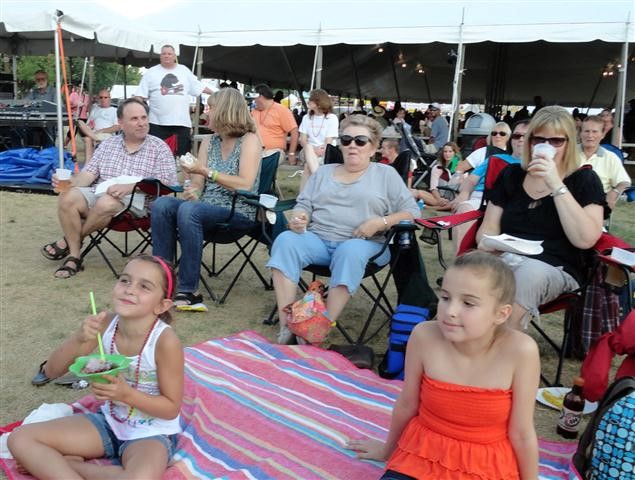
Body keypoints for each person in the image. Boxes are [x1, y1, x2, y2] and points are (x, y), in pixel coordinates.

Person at [347, 252, 540, 480]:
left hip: (484, 463)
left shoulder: (520, 351)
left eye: (468, 303)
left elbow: (522, 432)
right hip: (422, 452)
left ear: (501, 314)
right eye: (446, 298)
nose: (450, 311)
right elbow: (408, 403)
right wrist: (387, 450)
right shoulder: (424, 335)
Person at [8, 254, 183, 479]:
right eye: (125, 280)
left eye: (144, 286)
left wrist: (126, 394)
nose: (130, 289)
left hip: (151, 432)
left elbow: (171, 408)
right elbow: (52, 371)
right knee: (20, 438)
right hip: (107, 421)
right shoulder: (105, 325)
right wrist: (79, 339)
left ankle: (74, 467)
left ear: (162, 305)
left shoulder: (165, 342)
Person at [267, 114, 419, 344]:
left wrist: (380, 222)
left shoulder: (385, 174)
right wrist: (300, 216)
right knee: (286, 240)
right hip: (318, 240)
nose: (352, 146)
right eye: (346, 140)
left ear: (373, 147)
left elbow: (412, 212)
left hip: (366, 245)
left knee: (350, 251)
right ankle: (287, 326)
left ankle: (318, 328)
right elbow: (304, 203)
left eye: (360, 141)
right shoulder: (325, 172)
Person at [477, 106, 605, 330]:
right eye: (539, 139)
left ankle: (494, 349)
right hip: (505, 256)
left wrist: (556, 184)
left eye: (557, 141)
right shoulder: (511, 175)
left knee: (528, 275)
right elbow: (487, 229)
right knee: (467, 273)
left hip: (556, 267)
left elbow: (585, 240)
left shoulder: (584, 179)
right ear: (529, 142)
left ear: (569, 143)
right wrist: (490, 244)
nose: (547, 146)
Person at [40, 98, 178, 279]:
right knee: (68, 197)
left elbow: (168, 183)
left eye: (144, 118)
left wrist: (131, 187)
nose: (142, 123)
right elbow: (88, 175)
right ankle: (75, 255)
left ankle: (71, 242)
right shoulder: (107, 145)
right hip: (100, 192)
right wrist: (70, 182)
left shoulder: (159, 147)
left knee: (106, 203)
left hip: (139, 200)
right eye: (135, 119)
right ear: (120, 123)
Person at [151, 88, 261, 306]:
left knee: (189, 210)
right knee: (162, 204)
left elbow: (245, 183)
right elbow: (199, 184)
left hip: (238, 212)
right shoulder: (209, 142)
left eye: (210, 108)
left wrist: (206, 172)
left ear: (225, 111)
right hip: (203, 210)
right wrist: (193, 188)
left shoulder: (250, 140)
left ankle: (188, 290)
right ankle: (161, 279)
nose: (205, 112)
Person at [135, 44, 213, 156]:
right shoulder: (151, 72)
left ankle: (183, 174)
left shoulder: (184, 71)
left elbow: (199, 87)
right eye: (164, 53)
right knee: (156, 156)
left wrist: (215, 93)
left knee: (184, 157)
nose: (166, 56)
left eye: (169, 54)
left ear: (174, 56)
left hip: (181, 123)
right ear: (160, 56)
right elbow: (140, 96)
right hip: (157, 123)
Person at [578, 115, 631, 211]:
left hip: (598, 204)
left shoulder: (611, 157)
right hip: (570, 200)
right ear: (580, 133)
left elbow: (625, 182)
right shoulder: (568, 153)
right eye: (586, 131)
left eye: (594, 131)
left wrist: (614, 192)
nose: (590, 135)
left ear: (602, 135)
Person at [298, 88, 339, 189]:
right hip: (308, 151)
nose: (308, 102)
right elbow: (302, 139)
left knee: (308, 167)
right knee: (308, 147)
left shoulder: (331, 118)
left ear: (319, 103)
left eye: (310, 100)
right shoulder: (306, 118)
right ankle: (320, 180)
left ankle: (302, 197)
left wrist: (318, 151)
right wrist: (312, 150)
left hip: (326, 151)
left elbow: (328, 142)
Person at [251, 83, 299, 164]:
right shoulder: (254, 112)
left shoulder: (282, 110)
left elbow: (294, 132)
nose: (254, 101)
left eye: (255, 98)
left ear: (261, 97)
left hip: (274, 152)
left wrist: (291, 153)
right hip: (253, 150)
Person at [411, 142, 463, 210]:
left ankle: (427, 207)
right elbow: (433, 188)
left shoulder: (461, 167)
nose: (447, 154)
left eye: (450, 151)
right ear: (442, 153)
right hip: (438, 198)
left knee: (457, 202)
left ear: (454, 153)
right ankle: (438, 206)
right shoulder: (437, 168)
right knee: (416, 192)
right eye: (445, 152)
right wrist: (439, 199)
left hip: (453, 199)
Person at [76, 89, 120, 162]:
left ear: (110, 99)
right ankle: (97, 140)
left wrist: (102, 130)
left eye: (105, 97)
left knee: (88, 139)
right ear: (98, 99)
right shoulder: (95, 109)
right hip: (93, 132)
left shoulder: (114, 111)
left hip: (106, 134)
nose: (103, 99)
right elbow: (88, 125)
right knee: (80, 122)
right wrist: (90, 126)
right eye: (101, 97)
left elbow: (117, 127)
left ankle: (88, 164)